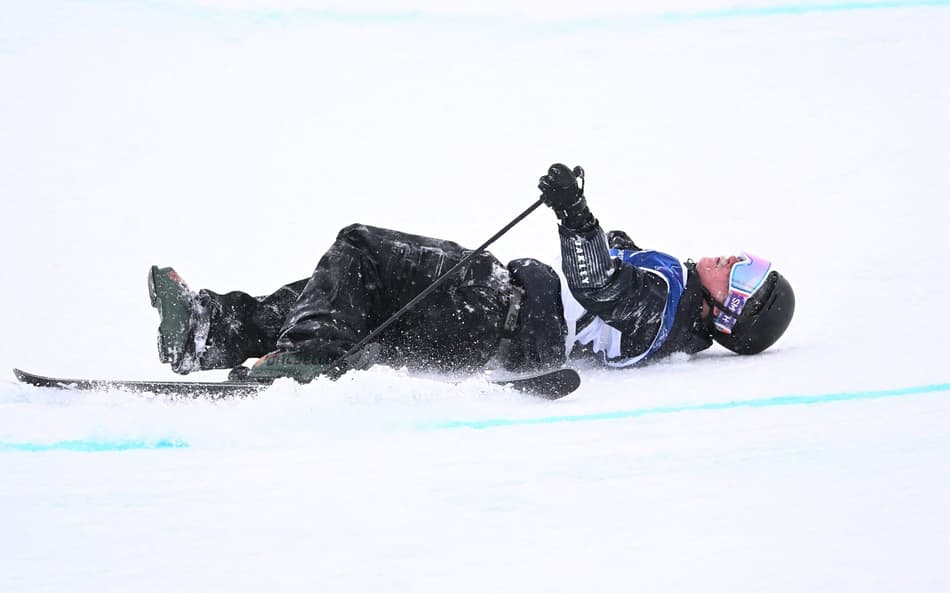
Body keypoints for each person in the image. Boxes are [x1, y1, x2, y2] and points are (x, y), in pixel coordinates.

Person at [148, 163, 795, 382]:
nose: (735, 260)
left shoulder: (667, 304)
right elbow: (609, 291)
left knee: (361, 251)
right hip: (492, 320)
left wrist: (576, 215)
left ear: (730, 315)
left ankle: (306, 358)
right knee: (347, 290)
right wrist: (605, 235)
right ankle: (209, 332)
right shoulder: (670, 309)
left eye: (744, 277)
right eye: (747, 261)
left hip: (498, 308)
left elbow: (600, 284)